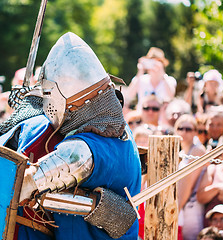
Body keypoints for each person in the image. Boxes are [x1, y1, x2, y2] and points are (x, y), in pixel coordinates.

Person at [17, 32, 141, 240]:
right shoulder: (113, 130)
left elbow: (74, 159)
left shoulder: (100, 146)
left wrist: (21, 186)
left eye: (47, 95)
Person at [175, 114, 206, 240]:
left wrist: (174, 212)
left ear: (195, 132)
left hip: (192, 208)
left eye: (188, 129)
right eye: (180, 128)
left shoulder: (197, 150)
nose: (184, 132)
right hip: (183, 208)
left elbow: (187, 185)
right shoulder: (181, 154)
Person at [125, 47, 176, 112]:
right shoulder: (141, 79)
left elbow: (171, 96)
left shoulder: (169, 80)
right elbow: (130, 94)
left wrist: (162, 73)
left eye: (156, 62)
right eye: (151, 62)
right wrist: (140, 71)